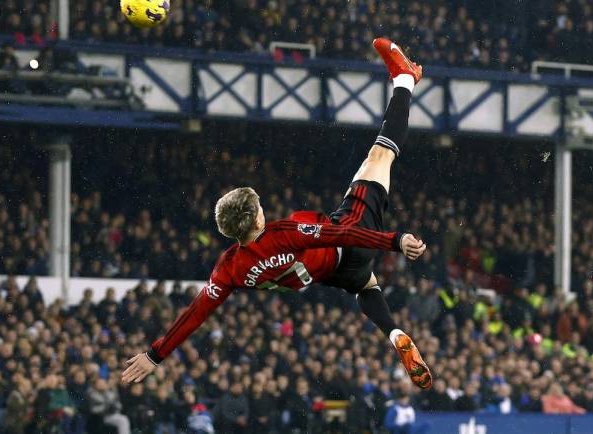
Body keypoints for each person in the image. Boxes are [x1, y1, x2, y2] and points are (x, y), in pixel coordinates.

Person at [122, 37, 432, 390]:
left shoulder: (230, 268)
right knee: (380, 155)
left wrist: (155, 354)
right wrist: (395, 241)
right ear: (257, 218)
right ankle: (405, 79)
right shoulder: (285, 233)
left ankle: (392, 331)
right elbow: (341, 234)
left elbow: (196, 313)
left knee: (366, 284)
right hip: (350, 238)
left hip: (334, 274)